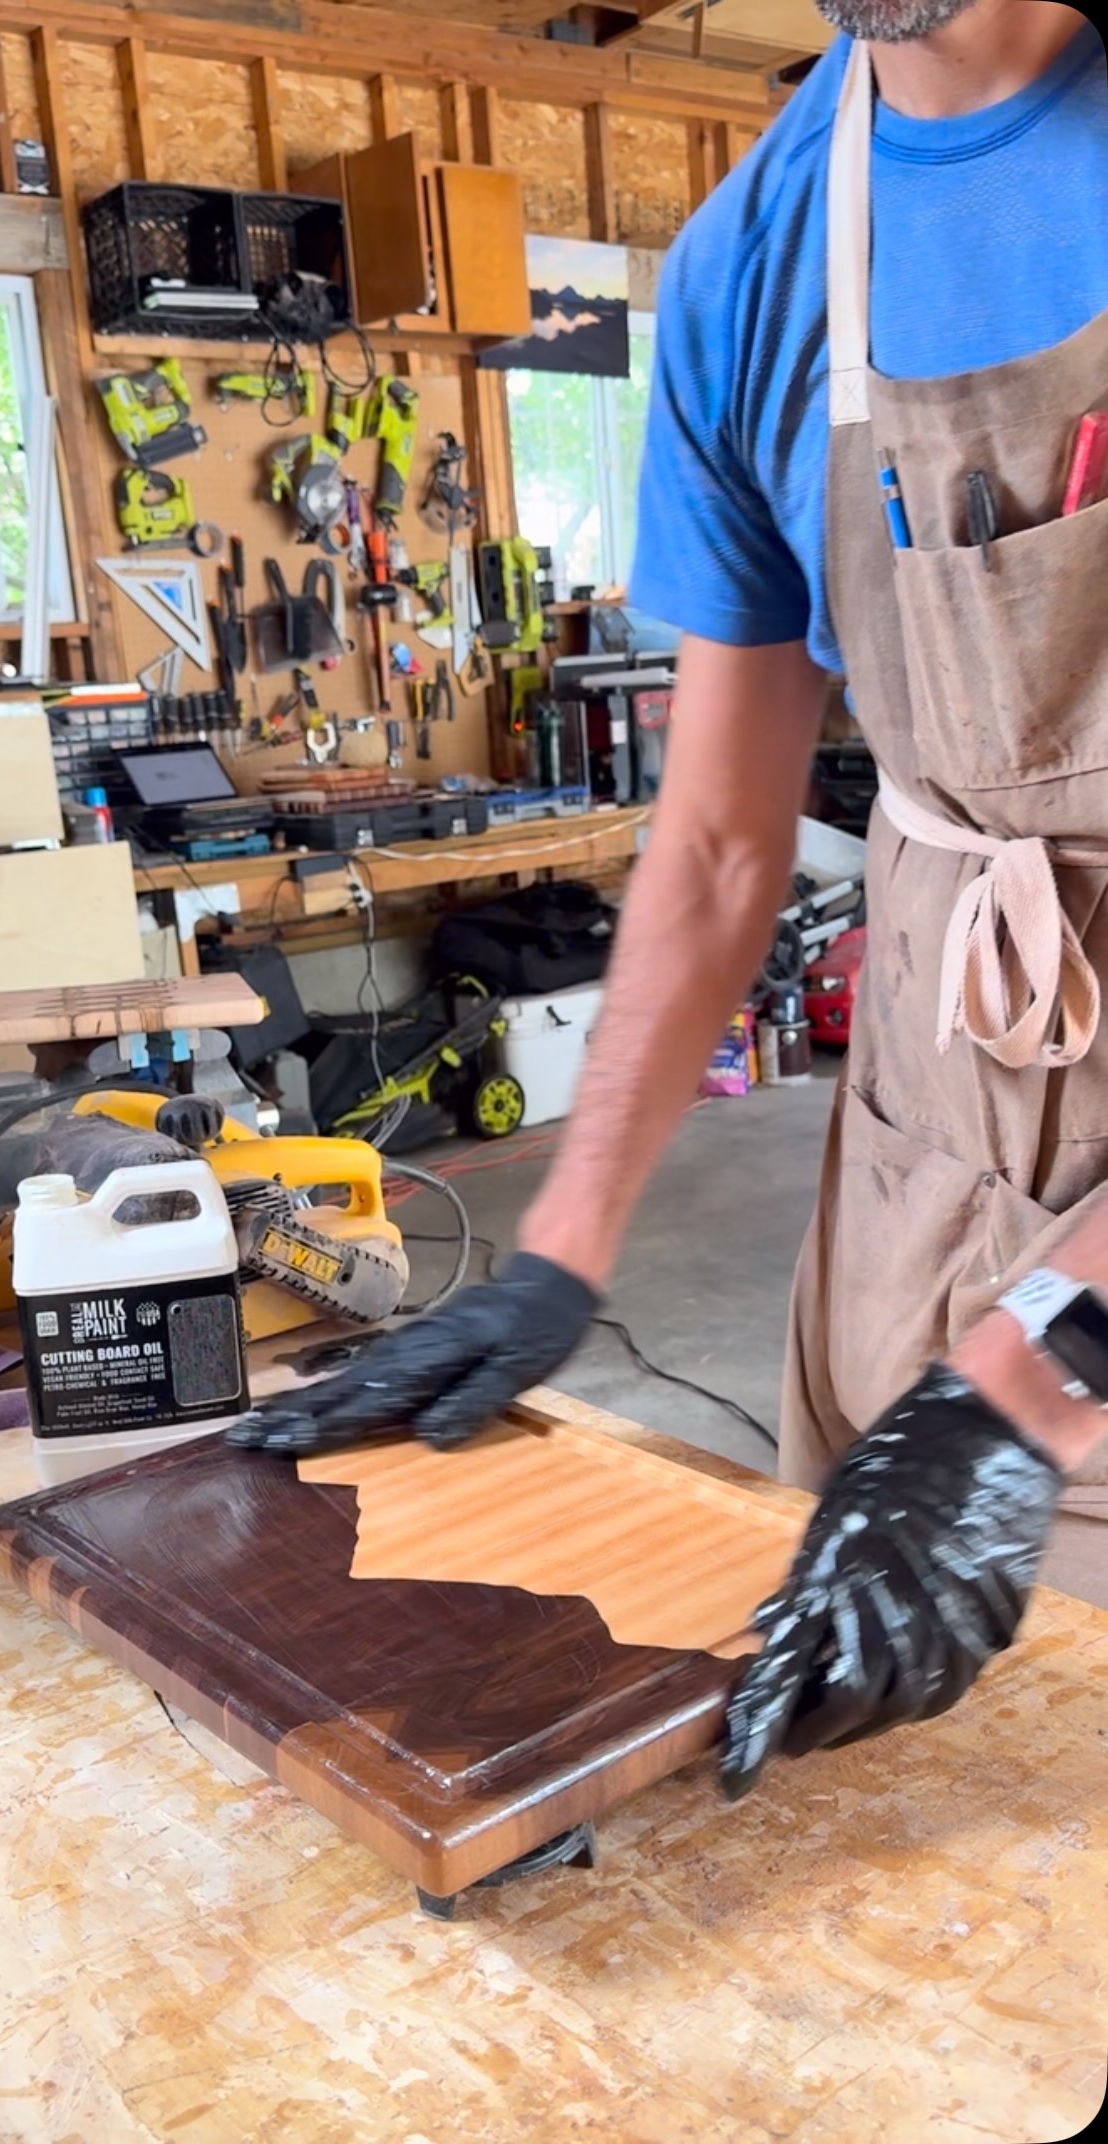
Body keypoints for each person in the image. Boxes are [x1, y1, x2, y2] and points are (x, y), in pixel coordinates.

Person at [232, 0, 1108, 1794]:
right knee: (856, 1785)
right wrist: (557, 1255)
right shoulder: (754, 260)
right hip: (930, 1128)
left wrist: (1031, 1376)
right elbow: (714, 839)